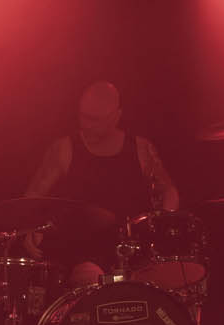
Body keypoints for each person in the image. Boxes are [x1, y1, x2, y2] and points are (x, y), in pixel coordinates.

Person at [23, 80, 180, 286]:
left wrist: (163, 224)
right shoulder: (64, 149)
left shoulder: (141, 149)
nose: (85, 124)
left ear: (116, 116)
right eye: (82, 116)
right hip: (81, 252)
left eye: (94, 119)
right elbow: (33, 196)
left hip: (132, 253)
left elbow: (169, 191)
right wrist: (31, 227)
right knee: (89, 278)